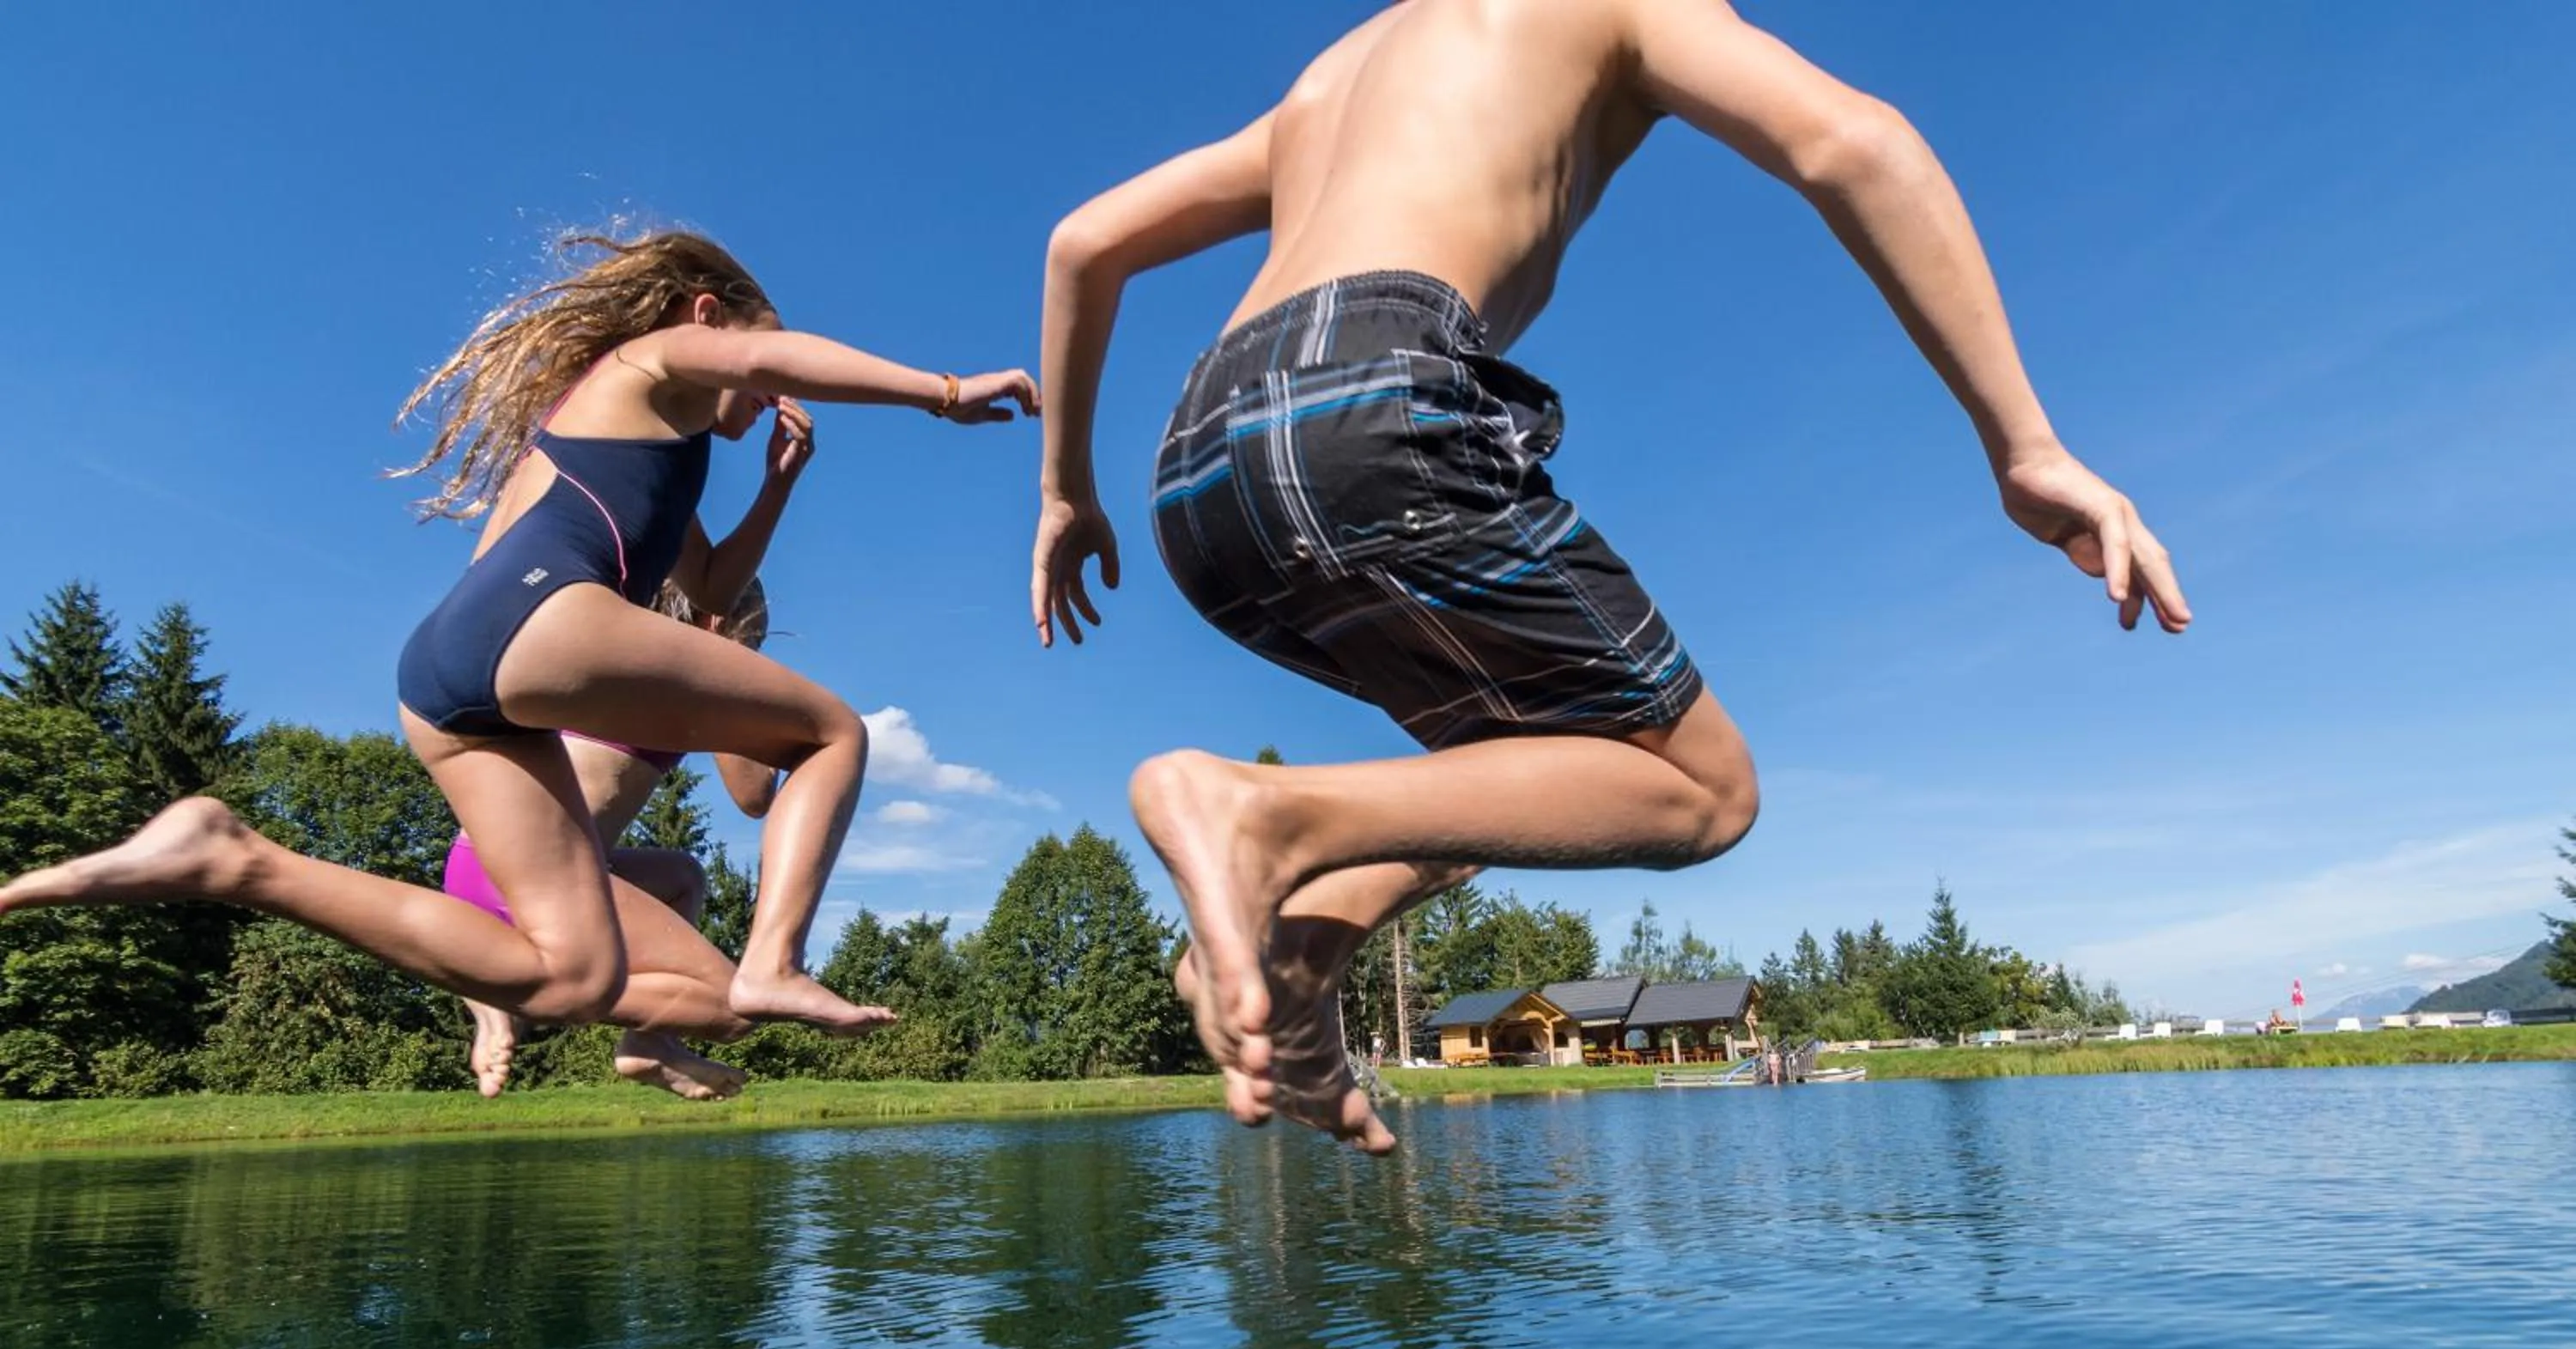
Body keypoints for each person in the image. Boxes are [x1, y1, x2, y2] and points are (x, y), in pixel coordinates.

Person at [1030, 0, 2189, 1153]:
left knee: (1538, 774)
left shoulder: (1334, 75)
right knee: (1702, 790)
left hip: (1196, 468)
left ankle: (1305, 945)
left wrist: (1065, 493)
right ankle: (1258, 812)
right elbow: (1854, 140)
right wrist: (2025, 447)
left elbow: (1084, 242)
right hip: (1372, 395)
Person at [1, 230, 1036, 1048]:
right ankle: (773, 960)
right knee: (831, 734)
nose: (768, 393)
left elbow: (715, 586)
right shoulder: (650, 357)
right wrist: (942, 393)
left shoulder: (647, 446)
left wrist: (778, 479)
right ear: (706, 312)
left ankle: (235, 860)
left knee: (573, 977)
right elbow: (766, 352)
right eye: (755, 373)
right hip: (536, 616)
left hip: (450, 678)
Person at [450, 574, 785, 1101]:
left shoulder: (605, 660)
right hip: (535, 874)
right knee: (729, 1005)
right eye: (757, 637)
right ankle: (514, 989)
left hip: (474, 861)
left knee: (681, 877)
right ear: (719, 623)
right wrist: (765, 710)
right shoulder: (697, 680)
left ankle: (642, 1038)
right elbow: (754, 795)